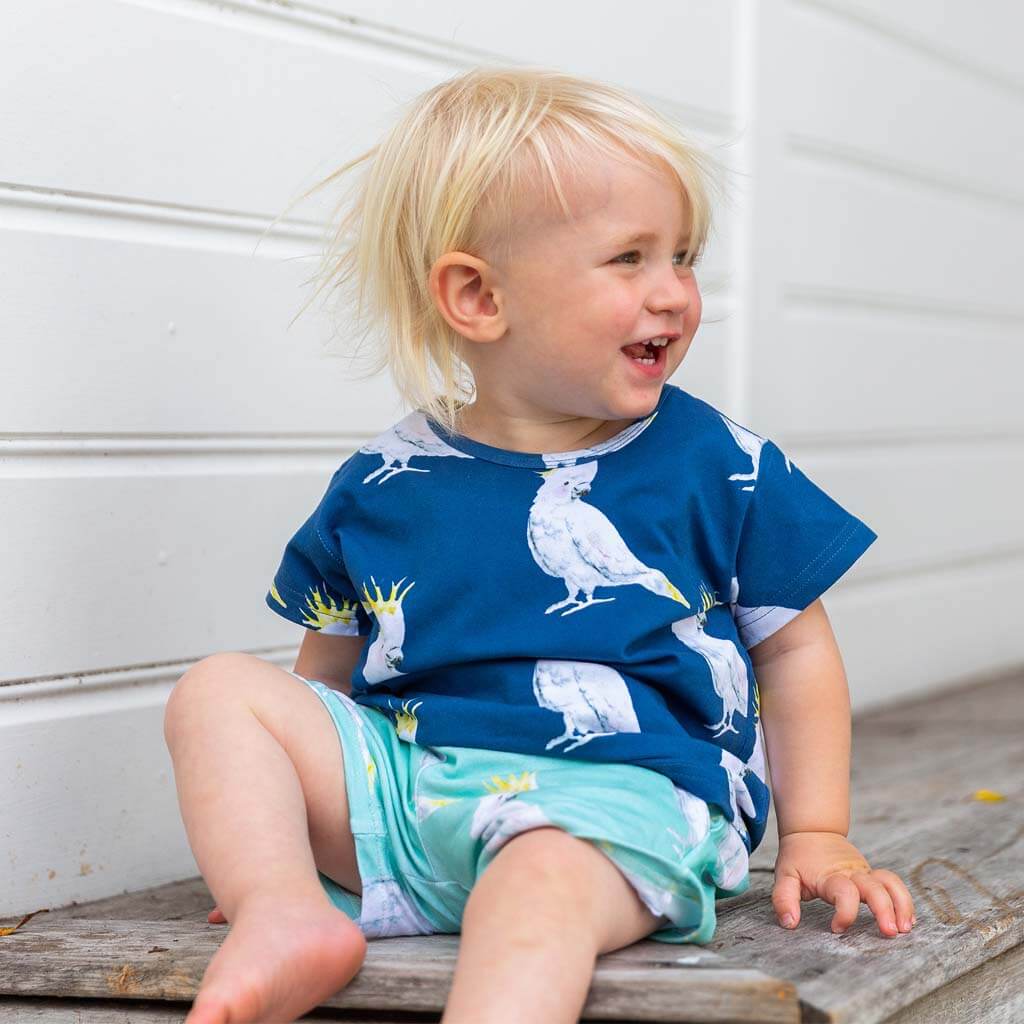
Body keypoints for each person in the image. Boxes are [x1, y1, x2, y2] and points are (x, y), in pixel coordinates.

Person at [163, 65, 916, 1024]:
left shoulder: (716, 462)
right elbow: (325, 681)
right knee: (218, 692)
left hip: (621, 805)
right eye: (629, 259)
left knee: (534, 889)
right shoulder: (382, 481)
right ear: (478, 296)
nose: (675, 294)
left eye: (681, 256)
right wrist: (286, 827)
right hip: (417, 800)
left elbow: (795, 646)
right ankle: (283, 913)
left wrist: (818, 830)